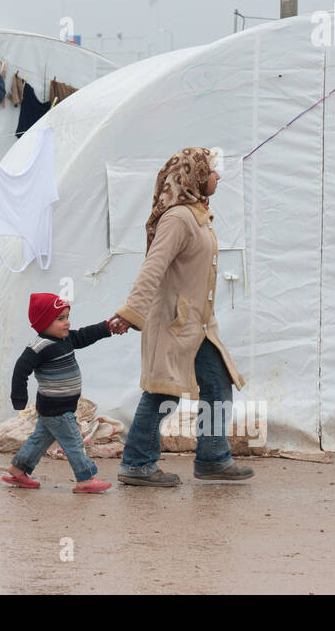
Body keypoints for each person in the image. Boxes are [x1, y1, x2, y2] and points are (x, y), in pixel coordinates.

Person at [108, 147, 253, 486]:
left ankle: (213, 459)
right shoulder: (177, 219)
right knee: (164, 391)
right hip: (173, 322)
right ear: (196, 176)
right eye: (213, 171)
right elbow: (153, 267)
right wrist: (132, 311)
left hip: (199, 325)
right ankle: (137, 463)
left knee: (217, 384)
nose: (218, 176)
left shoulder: (197, 214)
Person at [2, 292, 114, 494]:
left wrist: (105, 328)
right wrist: (18, 398)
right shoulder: (39, 347)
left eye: (67, 317)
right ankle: (85, 478)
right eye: (60, 319)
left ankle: (18, 470)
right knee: (73, 442)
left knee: (39, 440)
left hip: (56, 409)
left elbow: (84, 335)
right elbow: (20, 370)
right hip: (57, 409)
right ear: (44, 322)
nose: (67, 323)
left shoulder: (65, 339)